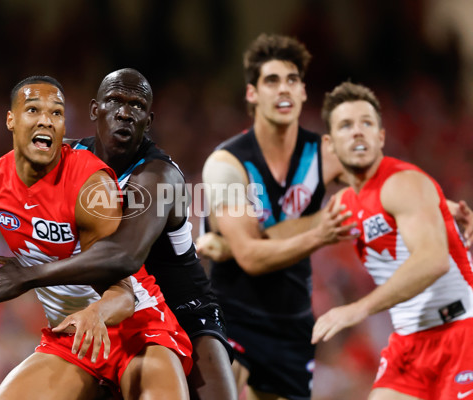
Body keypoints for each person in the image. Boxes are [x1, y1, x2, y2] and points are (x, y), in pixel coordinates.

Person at [0, 69, 236, 400]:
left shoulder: (158, 176)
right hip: (110, 310)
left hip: (182, 309)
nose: (124, 112)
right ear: (94, 110)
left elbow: (123, 256)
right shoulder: (70, 158)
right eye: (115, 101)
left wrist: (29, 276)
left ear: (148, 121)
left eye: (136, 106)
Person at [197, 33, 362, 400]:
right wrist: (321, 231)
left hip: (292, 321)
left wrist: (442, 209)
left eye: (292, 80)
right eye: (271, 80)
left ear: (304, 92)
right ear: (252, 93)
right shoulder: (227, 164)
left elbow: (385, 186)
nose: (283, 90)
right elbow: (252, 257)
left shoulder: (325, 153)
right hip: (231, 314)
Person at [312, 80, 473, 399]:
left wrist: (357, 309)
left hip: (458, 330)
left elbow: (433, 261)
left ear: (381, 137)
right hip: (411, 340)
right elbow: (294, 235)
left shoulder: (404, 184)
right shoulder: (346, 203)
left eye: (367, 123)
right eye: (346, 125)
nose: (358, 132)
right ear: (329, 144)